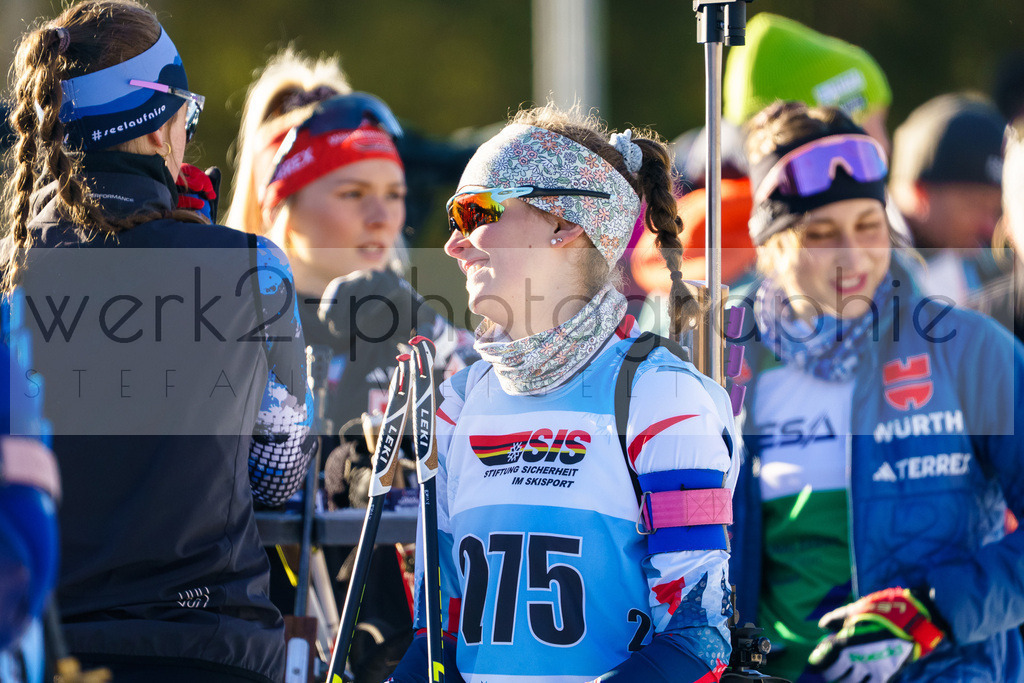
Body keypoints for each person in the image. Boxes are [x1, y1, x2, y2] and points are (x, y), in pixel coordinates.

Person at [1, 2, 316, 681]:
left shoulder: (8, 274)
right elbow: (280, 473)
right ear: (154, 129)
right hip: (209, 643)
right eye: (187, 119)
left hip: (42, 648)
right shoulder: (251, 268)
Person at [388, 105, 739, 682]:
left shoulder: (663, 400)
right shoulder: (454, 407)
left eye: (474, 211)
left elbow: (699, 635)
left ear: (565, 222)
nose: (454, 243)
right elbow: (437, 640)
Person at [730, 101, 1024, 682]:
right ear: (770, 246)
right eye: (819, 233)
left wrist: (933, 612)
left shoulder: (967, 348)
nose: (852, 254)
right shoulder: (726, 364)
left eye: (868, 224)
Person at [226, 51, 477, 680]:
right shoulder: (225, 320)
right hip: (253, 638)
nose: (382, 215)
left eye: (393, 193)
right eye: (352, 192)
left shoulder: (426, 322)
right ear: (280, 199)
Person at [889, 93, 1008, 305]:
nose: (990, 228)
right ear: (919, 192)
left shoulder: (979, 264)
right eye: (976, 205)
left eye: (997, 209)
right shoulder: (859, 261)